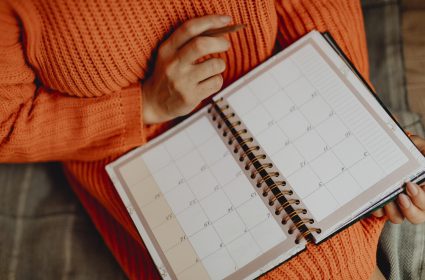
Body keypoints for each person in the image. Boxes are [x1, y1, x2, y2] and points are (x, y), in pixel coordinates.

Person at [1, 0, 424, 279]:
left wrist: (357, 115)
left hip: (282, 86)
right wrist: (145, 105)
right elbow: (8, 123)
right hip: (136, 143)